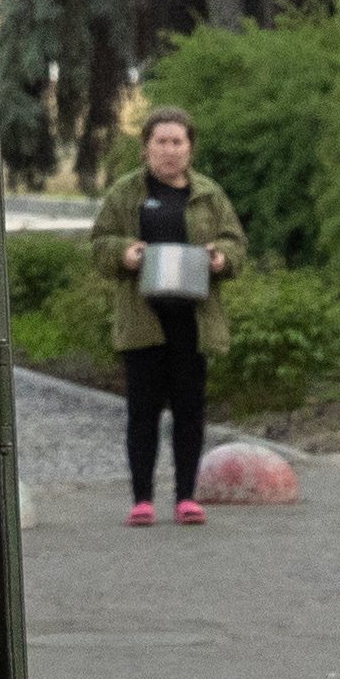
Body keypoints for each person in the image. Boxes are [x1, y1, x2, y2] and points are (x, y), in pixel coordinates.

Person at [88, 110, 245, 526]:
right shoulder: (127, 192)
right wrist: (125, 252)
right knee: (143, 411)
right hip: (143, 320)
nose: (170, 150)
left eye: (178, 142)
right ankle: (142, 499)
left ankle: (185, 498)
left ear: (190, 147)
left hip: (193, 321)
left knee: (190, 411)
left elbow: (236, 243)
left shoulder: (209, 194)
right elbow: (99, 243)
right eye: (161, 141)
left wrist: (221, 257)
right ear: (146, 146)